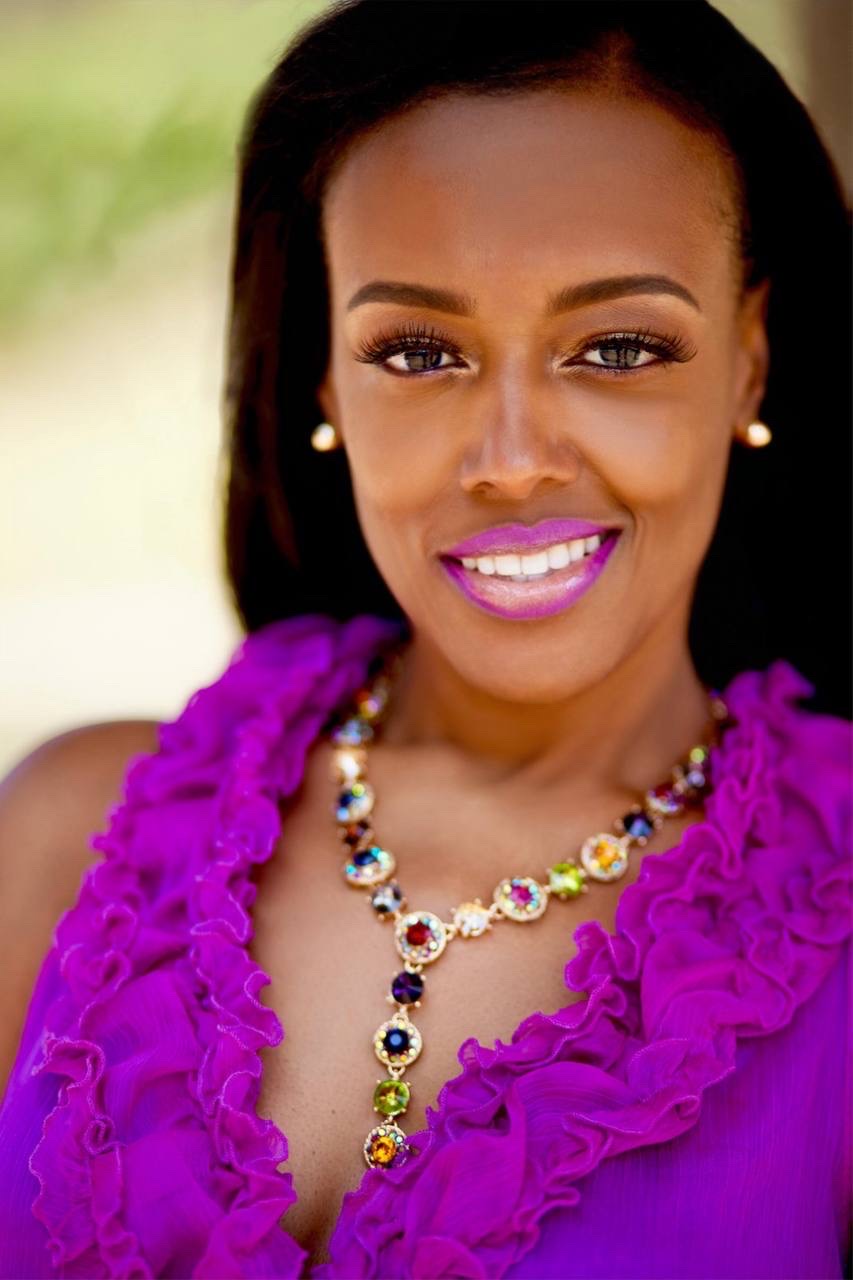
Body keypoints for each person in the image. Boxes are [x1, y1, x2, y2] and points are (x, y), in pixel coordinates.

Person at [0, 1, 850, 1276]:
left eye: (618, 347)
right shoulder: (69, 829)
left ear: (747, 359)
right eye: (418, 348)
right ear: (324, 386)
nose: (510, 459)